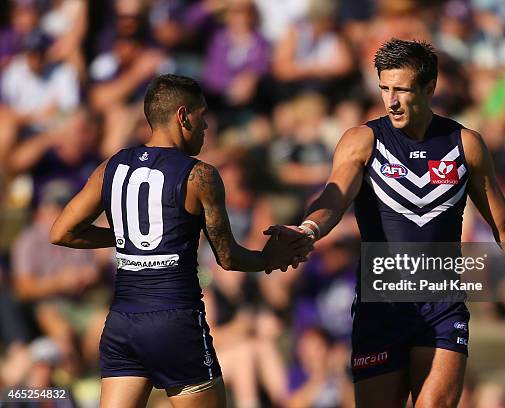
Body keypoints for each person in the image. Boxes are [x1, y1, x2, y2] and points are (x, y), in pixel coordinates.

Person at [267, 39, 505, 407]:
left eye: (402, 89)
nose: (391, 100)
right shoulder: (362, 141)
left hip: (442, 303)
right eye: (384, 88)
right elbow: (333, 198)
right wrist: (309, 229)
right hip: (381, 307)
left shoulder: (465, 145)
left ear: (430, 88)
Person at [49, 74, 310, 408]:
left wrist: (129, 236)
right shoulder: (200, 175)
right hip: (174, 321)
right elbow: (228, 258)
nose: (205, 127)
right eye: (202, 117)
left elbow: (62, 232)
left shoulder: (111, 167)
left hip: (122, 324)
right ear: (183, 116)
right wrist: (268, 259)